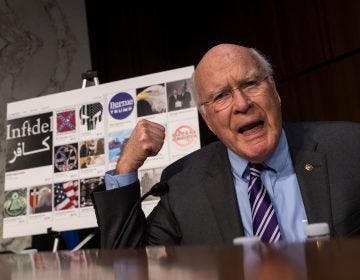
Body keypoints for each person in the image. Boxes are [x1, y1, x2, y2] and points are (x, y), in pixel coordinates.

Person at [91, 43, 360, 249]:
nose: (242, 104)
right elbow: (131, 268)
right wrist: (125, 168)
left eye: (251, 84)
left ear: (275, 91)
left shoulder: (349, 148)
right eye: (222, 96)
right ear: (208, 120)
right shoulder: (183, 183)